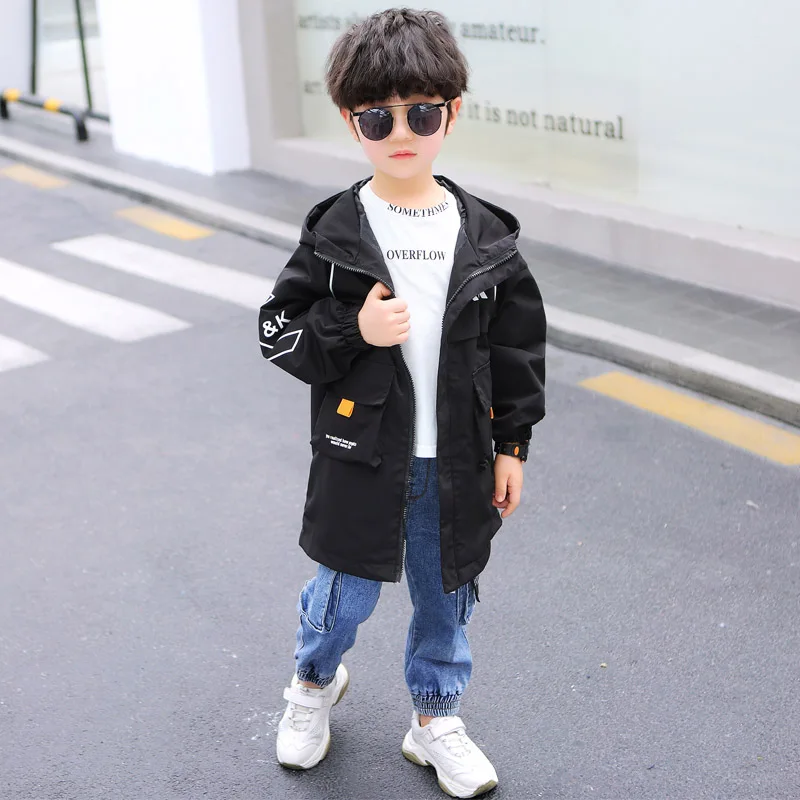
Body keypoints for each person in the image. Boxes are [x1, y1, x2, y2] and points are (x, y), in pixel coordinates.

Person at [258, 8, 546, 798]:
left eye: (420, 113)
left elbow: (516, 353)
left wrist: (512, 447)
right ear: (350, 121)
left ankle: (434, 719)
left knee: (447, 598)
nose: (401, 133)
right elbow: (278, 331)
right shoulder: (335, 232)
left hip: (456, 461)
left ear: (453, 112)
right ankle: (312, 684)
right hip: (361, 457)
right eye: (377, 118)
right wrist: (350, 329)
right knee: (342, 596)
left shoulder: (485, 237)